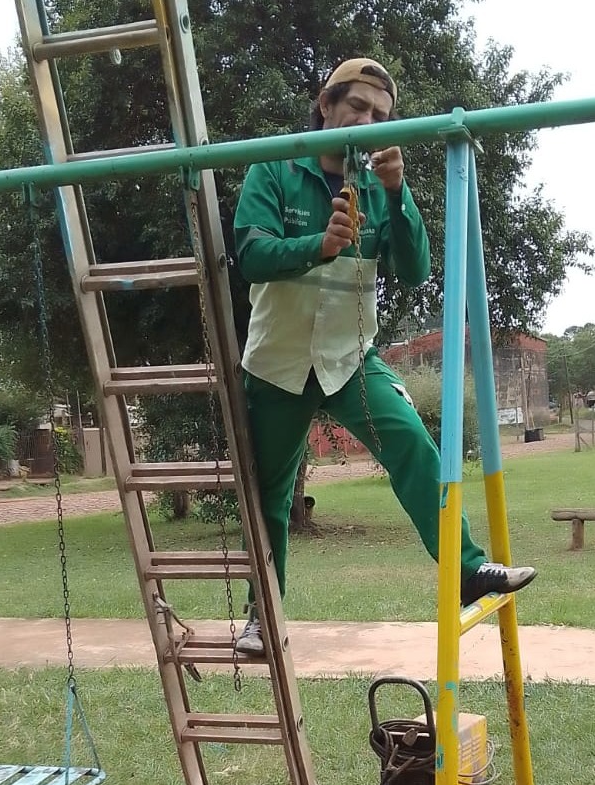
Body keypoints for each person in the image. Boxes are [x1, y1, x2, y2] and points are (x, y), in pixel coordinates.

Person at [230, 57, 536, 656]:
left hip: (350, 359)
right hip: (278, 362)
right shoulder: (274, 166)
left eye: (381, 115)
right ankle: (263, 619)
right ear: (326, 103)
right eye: (359, 107)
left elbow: (415, 269)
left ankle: (468, 570)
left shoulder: (376, 184)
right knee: (268, 496)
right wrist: (317, 245)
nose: (369, 122)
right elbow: (252, 254)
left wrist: (399, 195)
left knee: (414, 448)